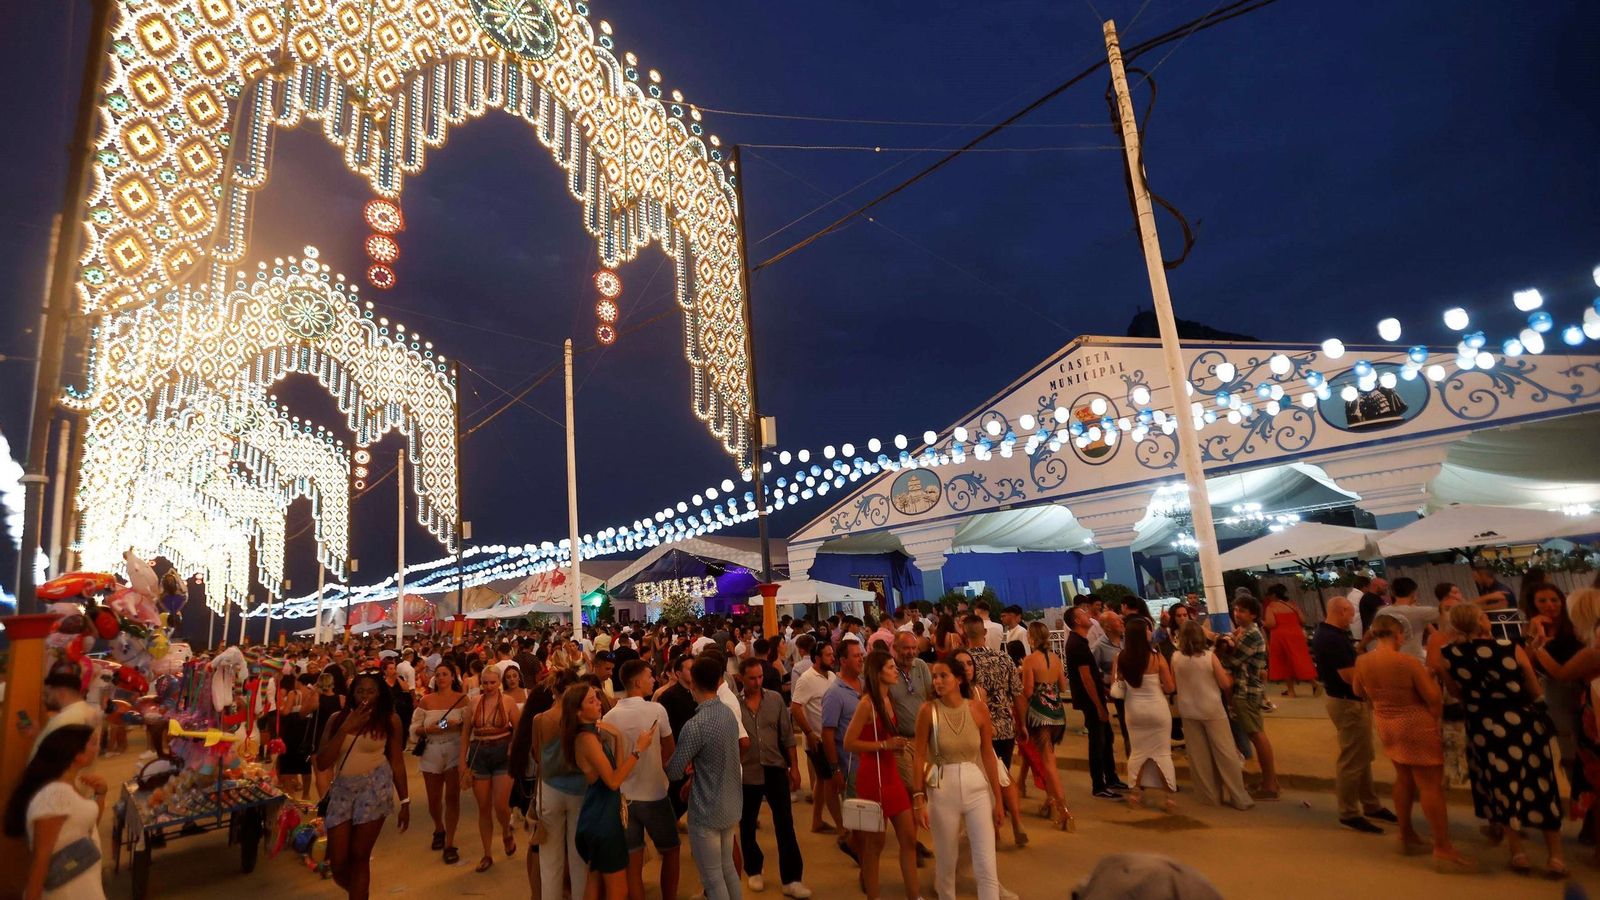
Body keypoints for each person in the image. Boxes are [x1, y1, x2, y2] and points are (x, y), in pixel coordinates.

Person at [1442, 602, 1565, 877]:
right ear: (1481, 622)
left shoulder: (1448, 654)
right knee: (1540, 781)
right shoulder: (1509, 647)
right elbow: (1533, 689)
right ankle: (1555, 857)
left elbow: (1455, 691)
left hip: (1483, 725)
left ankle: (1517, 852)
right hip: (1521, 723)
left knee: (1501, 783)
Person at [912, 656, 1004, 900]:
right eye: (935, 676)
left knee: (986, 858)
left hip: (976, 785)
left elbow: (988, 755)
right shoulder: (928, 710)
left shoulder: (977, 709)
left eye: (944, 676)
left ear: (959, 679)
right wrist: (919, 797)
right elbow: (919, 754)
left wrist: (999, 798)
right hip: (942, 785)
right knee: (946, 858)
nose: (938, 681)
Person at [316, 672, 410, 900]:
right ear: (352, 694)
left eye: (371, 691)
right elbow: (323, 761)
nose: (365, 696)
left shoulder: (389, 720)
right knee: (338, 862)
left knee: (359, 855)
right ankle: (359, 894)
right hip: (343, 790)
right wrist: (346, 728)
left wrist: (405, 800)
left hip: (374, 788)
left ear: (380, 694)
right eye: (360, 691)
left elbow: (397, 761)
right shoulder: (337, 719)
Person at [1309, 597, 1395, 833]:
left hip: (1346, 700)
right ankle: (1348, 812)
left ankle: (1370, 804)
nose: (1352, 618)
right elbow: (1348, 676)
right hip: (1347, 702)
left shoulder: (1330, 634)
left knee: (1362, 756)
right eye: (1350, 614)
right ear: (1341, 611)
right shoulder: (1331, 638)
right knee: (1352, 759)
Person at [569, 681, 658, 899]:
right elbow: (614, 781)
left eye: (597, 697)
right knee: (618, 890)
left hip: (597, 815)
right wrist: (637, 750)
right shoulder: (587, 739)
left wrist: (618, 739)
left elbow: (615, 772)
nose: (599, 702)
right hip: (604, 820)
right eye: (591, 701)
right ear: (578, 711)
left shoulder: (589, 735)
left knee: (595, 879)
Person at [666, 656, 745, 900]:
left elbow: (673, 770)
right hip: (730, 800)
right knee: (727, 869)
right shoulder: (728, 714)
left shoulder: (696, 724)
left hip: (706, 808)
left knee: (712, 877)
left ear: (693, 684)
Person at [843, 651, 919, 900]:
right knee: (874, 846)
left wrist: (897, 744)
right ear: (878, 673)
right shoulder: (867, 703)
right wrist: (884, 745)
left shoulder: (888, 699)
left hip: (890, 774)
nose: (895, 670)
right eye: (890, 667)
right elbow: (849, 742)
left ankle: (914, 895)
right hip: (872, 777)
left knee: (909, 838)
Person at [603, 660, 681, 900]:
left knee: (633, 861)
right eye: (649, 675)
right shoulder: (656, 710)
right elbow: (670, 749)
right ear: (637, 682)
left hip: (624, 798)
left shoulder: (609, 716)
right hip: (654, 793)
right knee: (671, 850)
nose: (654, 679)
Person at [5, 725, 106, 900]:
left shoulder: (69, 786)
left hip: (83, 880)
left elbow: (86, 830)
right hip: (67, 890)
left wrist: (100, 794)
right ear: (77, 755)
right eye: (94, 743)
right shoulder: (56, 796)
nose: (98, 748)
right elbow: (41, 860)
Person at [736, 658, 810, 897]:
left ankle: (792, 878)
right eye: (752, 678)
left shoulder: (775, 700)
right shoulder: (734, 705)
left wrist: (794, 767)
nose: (757, 682)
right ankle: (754, 869)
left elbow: (787, 736)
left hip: (775, 767)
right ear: (741, 678)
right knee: (747, 824)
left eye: (760, 677)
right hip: (747, 772)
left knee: (785, 823)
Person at [1169, 620, 1250, 810]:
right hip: (1212, 709)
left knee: (1199, 756)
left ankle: (1209, 796)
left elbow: (1173, 684)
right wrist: (1231, 675)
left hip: (1188, 710)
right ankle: (1239, 797)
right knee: (1225, 753)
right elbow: (1225, 684)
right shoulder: (1209, 657)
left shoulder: (1175, 657)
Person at [961, 615, 1027, 845]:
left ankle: (995, 830)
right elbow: (1018, 694)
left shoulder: (964, 662)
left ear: (964, 633)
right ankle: (1016, 820)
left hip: (977, 730)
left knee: (985, 781)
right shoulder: (1003, 658)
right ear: (985, 634)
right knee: (1003, 776)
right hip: (1005, 726)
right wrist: (1022, 723)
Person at [1112, 619, 1177, 812]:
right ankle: (1169, 797)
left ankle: (1135, 793)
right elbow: (1170, 687)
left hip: (1134, 710)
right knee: (1163, 753)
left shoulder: (1121, 657)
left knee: (1137, 753)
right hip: (1157, 709)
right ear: (1144, 634)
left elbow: (1118, 683)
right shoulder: (1157, 658)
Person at [459, 664, 517, 872]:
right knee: (483, 807)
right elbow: (465, 734)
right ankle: (487, 853)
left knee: (501, 804)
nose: (489, 686)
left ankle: (506, 831)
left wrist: (513, 749)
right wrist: (462, 763)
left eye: (493, 682)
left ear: (499, 682)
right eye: (485, 683)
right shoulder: (474, 703)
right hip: (479, 753)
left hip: (503, 753)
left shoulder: (509, 702)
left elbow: (518, 730)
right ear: (481, 683)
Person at [1220, 595, 1280, 798]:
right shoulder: (1245, 632)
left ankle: (1270, 784)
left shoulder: (1251, 634)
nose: (1237, 614)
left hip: (1246, 690)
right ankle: (1268, 781)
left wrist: (1222, 646)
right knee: (1255, 733)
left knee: (1256, 734)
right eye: (1236, 610)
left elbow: (1232, 660)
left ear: (1253, 614)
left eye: (1242, 611)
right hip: (1246, 689)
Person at [411, 660, 467, 864]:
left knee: (452, 798)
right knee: (434, 800)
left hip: (453, 750)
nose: (442, 677)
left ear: (453, 677)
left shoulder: (462, 700)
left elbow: (467, 725)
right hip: (431, 751)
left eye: (445, 674)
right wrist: (429, 729)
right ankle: (439, 827)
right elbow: (415, 728)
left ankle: (450, 842)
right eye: (439, 674)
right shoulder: (426, 701)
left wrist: (457, 724)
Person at [1019, 621, 1072, 827]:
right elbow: (1063, 685)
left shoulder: (1030, 660)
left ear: (1031, 638)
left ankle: (1063, 809)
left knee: (1048, 763)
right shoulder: (1056, 659)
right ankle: (1050, 800)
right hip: (1057, 714)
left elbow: (1028, 690)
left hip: (1039, 716)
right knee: (1049, 758)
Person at [1066, 606, 1118, 799]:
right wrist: (1098, 705)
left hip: (1094, 696)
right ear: (1077, 621)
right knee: (1097, 742)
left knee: (1106, 739)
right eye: (1083, 614)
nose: (1088, 616)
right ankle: (1099, 784)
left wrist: (1103, 690)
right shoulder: (1077, 644)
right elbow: (1086, 677)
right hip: (1090, 700)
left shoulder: (1080, 641)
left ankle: (1111, 778)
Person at [791, 641, 843, 836]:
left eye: (832, 654)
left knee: (822, 781)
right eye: (829, 655)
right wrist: (809, 732)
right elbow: (796, 707)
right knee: (829, 781)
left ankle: (816, 821)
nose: (833, 658)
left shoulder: (831, 676)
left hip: (830, 737)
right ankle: (841, 826)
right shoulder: (807, 679)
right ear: (818, 658)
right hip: (817, 740)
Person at [29, 668, 102, 761]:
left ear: (61, 693)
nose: (45, 699)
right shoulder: (87, 711)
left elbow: (53, 756)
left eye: (48, 694)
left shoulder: (67, 718)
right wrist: (36, 734)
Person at [1262, 584, 1318, 698]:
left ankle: (1291, 691)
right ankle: (1313, 682)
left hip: (1280, 636)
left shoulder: (1271, 607)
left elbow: (1272, 623)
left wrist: (1263, 623)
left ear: (1273, 595)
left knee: (1285, 662)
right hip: (1296, 634)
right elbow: (1303, 620)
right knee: (1300, 659)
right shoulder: (1292, 605)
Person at [1092, 612, 1130, 757]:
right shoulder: (1099, 647)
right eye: (1116, 620)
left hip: (1137, 690)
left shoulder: (1127, 640)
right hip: (1120, 693)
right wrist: (1105, 688)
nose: (1121, 622)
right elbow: (1093, 671)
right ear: (1107, 627)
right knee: (1127, 728)